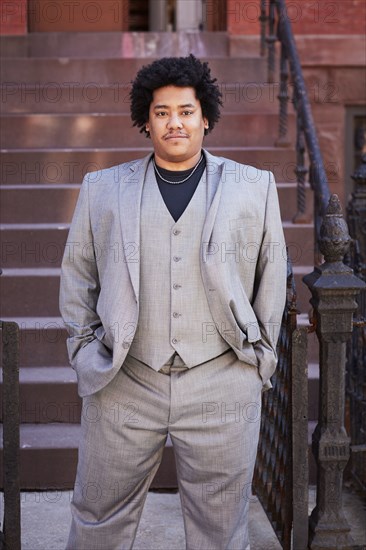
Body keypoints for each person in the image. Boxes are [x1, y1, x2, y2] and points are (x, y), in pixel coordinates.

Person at [60, 54, 287, 550]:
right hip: (125, 379)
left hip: (222, 379)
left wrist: (259, 361)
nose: (175, 122)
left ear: (206, 117)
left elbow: (273, 277)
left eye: (186, 110)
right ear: (146, 121)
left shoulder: (254, 186)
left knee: (220, 530)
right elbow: (78, 275)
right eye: (162, 112)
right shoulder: (103, 189)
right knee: (98, 517)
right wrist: (84, 352)